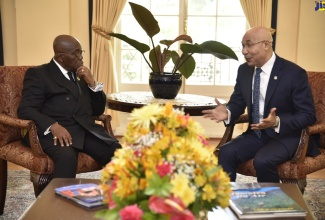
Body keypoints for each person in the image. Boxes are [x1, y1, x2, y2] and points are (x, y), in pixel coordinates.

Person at [202, 26, 320, 182]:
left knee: (263, 160)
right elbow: (237, 101)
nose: (244, 51)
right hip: (257, 134)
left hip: (287, 136)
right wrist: (228, 112)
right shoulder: (244, 71)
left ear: (266, 44)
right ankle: (227, 200)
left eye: (249, 45)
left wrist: (277, 121)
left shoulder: (294, 73)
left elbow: (308, 115)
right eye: (243, 46)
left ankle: (270, 204)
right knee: (226, 152)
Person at [18, 34, 121, 178]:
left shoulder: (81, 74)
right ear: (60, 57)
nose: (81, 57)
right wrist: (53, 125)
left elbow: (98, 110)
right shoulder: (39, 74)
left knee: (116, 152)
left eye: (81, 51)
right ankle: (58, 200)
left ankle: (117, 196)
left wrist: (93, 84)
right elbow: (25, 109)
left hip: (83, 130)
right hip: (53, 133)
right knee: (67, 158)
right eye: (76, 53)